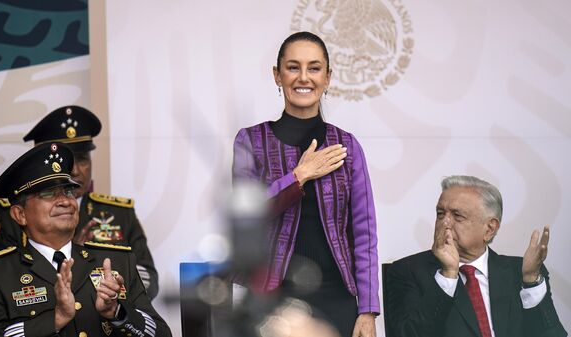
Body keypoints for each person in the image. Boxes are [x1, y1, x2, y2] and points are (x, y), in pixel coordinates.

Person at [232, 31, 379, 337]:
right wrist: (298, 176)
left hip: (337, 298)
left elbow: (364, 234)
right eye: (293, 67)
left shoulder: (347, 146)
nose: (304, 77)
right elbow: (245, 216)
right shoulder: (250, 140)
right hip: (270, 297)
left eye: (314, 68)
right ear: (277, 75)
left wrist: (367, 310)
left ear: (328, 77)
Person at [0, 142, 172, 337]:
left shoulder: (118, 262)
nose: (65, 201)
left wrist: (117, 313)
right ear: (20, 214)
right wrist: (55, 319)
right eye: (48, 193)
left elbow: (162, 334)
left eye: (68, 192)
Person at [0, 106, 159, 298]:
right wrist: (68, 252)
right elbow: (0, 278)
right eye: (67, 162)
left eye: (83, 159)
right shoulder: (11, 211)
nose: (75, 171)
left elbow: (148, 280)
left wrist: (107, 281)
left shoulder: (119, 212)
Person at [385, 175, 567, 337]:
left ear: (489, 229)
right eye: (441, 214)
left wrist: (531, 281)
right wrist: (448, 274)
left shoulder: (520, 271)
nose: (445, 223)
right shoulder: (406, 271)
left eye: (457, 216)